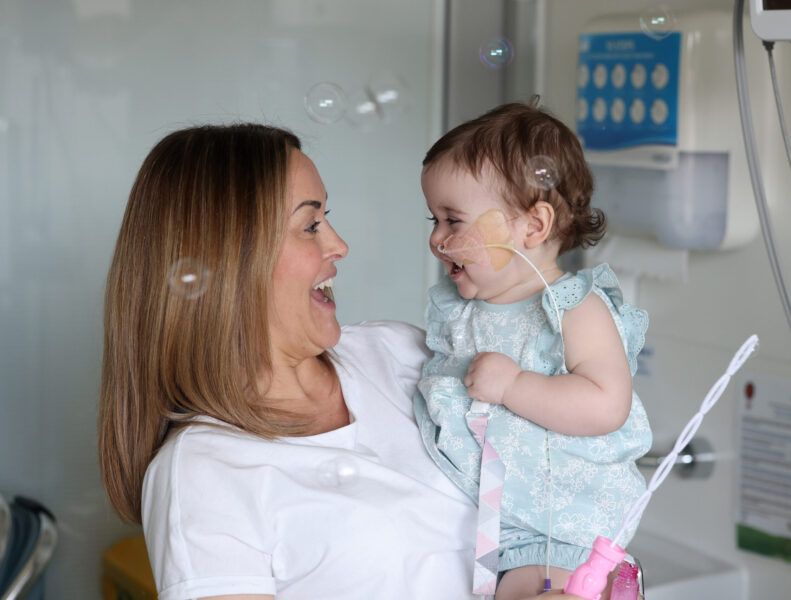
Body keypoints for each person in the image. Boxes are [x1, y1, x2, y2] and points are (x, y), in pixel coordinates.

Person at [99, 123, 579, 600]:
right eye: (311, 226)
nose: (339, 246)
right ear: (230, 258)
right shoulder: (202, 472)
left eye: (326, 219)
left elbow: (544, 492)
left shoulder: (405, 355)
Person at [414, 101, 653, 600]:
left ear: (533, 227)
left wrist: (515, 385)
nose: (437, 239)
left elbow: (607, 403)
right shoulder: (462, 311)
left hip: (559, 529)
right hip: (481, 524)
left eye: (453, 220)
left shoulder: (572, 309)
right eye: (434, 219)